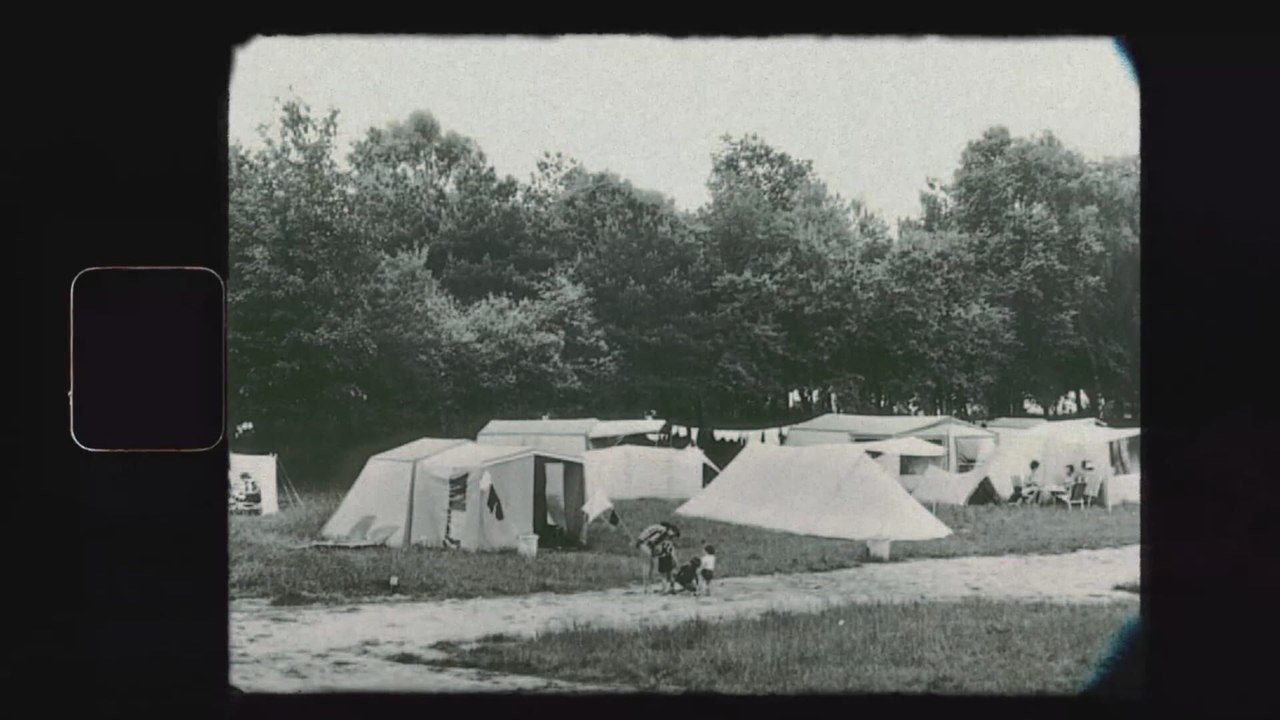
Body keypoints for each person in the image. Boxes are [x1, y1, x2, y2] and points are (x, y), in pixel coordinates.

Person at [635, 522, 680, 593]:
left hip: (643, 542)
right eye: (673, 535)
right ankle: (647, 587)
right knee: (648, 565)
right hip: (644, 543)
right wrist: (654, 551)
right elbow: (651, 541)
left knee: (649, 565)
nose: (671, 537)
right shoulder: (663, 530)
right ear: (671, 530)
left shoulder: (661, 529)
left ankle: (647, 587)